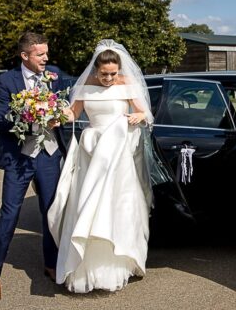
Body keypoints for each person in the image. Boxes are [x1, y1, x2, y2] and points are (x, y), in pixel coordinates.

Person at [47, 39, 155, 293]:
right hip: (92, 151)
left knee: (115, 205)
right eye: (104, 74)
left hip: (117, 153)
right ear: (96, 70)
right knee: (88, 202)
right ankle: (84, 265)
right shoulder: (85, 87)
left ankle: (116, 264)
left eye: (113, 74)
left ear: (119, 70)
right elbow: (73, 113)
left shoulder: (127, 85)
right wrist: (53, 115)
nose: (108, 78)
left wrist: (139, 116)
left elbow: (145, 113)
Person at [0, 32, 66, 303]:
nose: (46, 58)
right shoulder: (6, 80)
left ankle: (51, 264)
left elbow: (70, 103)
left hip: (48, 156)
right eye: (41, 54)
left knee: (50, 211)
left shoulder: (54, 74)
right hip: (19, 158)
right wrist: (31, 117)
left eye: (46, 53)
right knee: (9, 215)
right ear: (25, 56)